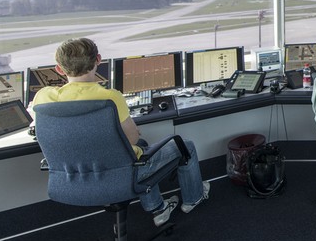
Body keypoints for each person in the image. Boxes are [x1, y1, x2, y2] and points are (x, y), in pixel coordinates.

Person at [30, 38, 209, 226]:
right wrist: (132, 131)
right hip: (122, 174)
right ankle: (193, 199)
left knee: (143, 146)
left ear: (59, 69)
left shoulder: (43, 96)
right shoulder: (110, 97)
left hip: (72, 176)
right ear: (98, 60)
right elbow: (131, 138)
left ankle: (158, 208)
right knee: (184, 146)